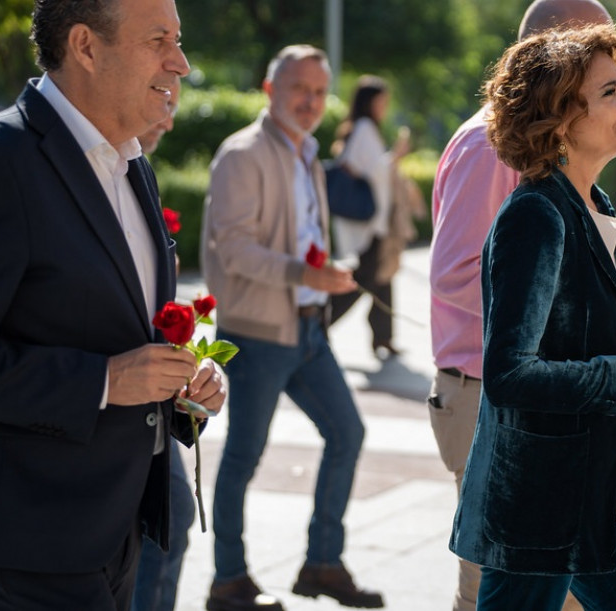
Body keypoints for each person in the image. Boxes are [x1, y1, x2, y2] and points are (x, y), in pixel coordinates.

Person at [0, 0, 226, 609]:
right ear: (85, 46)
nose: (181, 63)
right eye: (159, 40)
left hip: (112, 523)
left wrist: (183, 380)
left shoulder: (130, 162)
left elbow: (112, 323)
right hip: (22, 532)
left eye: (179, 40)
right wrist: (105, 381)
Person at [448, 24, 616, 610]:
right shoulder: (536, 217)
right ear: (561, 118)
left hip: (598, 492)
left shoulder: (593, 210)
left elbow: (577, 352)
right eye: (611, 91)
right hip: (541, 505)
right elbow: (510, 376)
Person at [427, 1, 613, 609]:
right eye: (597, 46)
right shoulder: (491, 145)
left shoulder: (535, 145)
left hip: (523, 394)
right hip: (491, 394)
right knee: (500, 595)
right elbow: (455, 272)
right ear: (559, 54)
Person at [201, 45, 384, 611]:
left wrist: (323, 278)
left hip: (309, 330)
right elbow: (233, 251)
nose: (309, 101)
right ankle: (228, 581)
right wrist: (305, 273)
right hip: (256, 333)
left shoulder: (307, 154)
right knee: (243, 459)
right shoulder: (242, 155)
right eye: (297, 88)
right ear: (268, 89)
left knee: (347, 434)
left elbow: (304, 234)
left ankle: (322, 564)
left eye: (318, 91)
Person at [132, 85, 196, 611]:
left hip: (150, 407)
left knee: (174, 518)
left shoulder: (136, 173)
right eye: (165, 104)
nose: (169, 121)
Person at [328, 75, 412, 358]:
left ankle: (383, 337)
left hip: (375, 220)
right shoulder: (364, 128)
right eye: (381, 101)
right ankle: (319, 324)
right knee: (364, 278)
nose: (384, 107)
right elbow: (360, 167)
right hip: (368, 221)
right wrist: (396, 156)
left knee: (382, 275)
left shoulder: (364, 128)